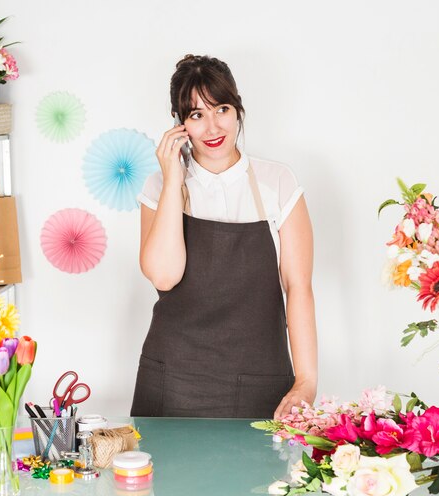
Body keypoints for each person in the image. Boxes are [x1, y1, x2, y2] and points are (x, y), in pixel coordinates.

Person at [131, 54, 317, 419]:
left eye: (222, 109)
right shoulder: (159, 187)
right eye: (196, 115)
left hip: (260, 379)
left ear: (238, 111)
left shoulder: (278, 182)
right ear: (180, 123)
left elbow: (298, 287)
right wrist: (172, 181)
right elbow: (164, 276)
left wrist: (306, 380)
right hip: (173, 379)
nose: (213, 127)